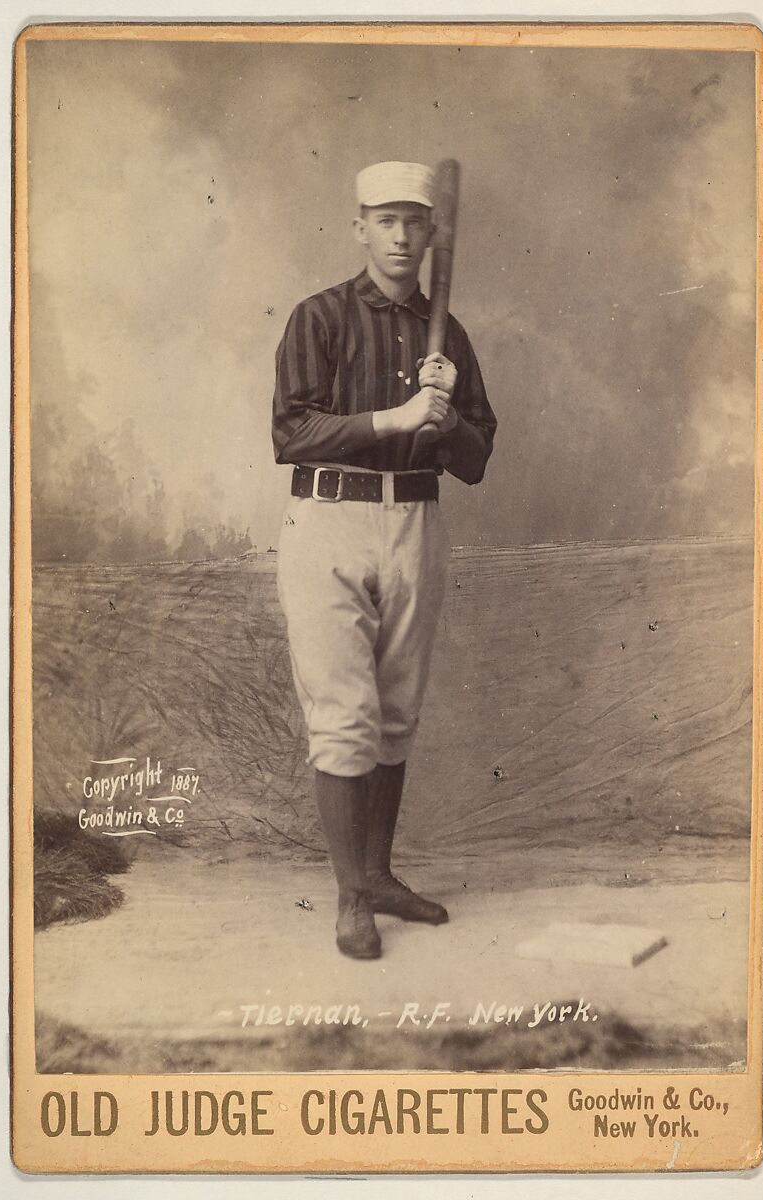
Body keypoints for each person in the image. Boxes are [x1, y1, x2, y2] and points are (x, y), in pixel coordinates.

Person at [272, 160, 496, 959]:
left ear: (431, 233)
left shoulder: (449, 335)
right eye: (386, 221)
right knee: (345, 720)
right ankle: (348, 900)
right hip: (329, 520)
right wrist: (395, 413)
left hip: (416, 524)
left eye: (415, 222)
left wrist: (443, 422)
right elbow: (291, 433)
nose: (401, 236)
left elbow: (474, 458)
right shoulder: (319, 317)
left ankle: (380, 875)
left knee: (395, 714)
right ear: (360, 226)